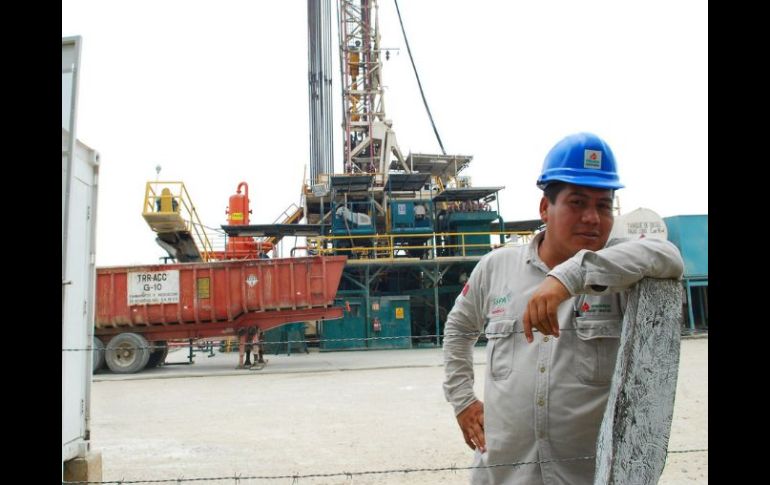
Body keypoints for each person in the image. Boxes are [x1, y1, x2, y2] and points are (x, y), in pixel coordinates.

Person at [442, 132, 684, 484]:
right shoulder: (497, 268)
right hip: (504, 474)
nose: (592, 217)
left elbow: (668, 256)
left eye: (604, 206)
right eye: (577, 202)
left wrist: (569, 277)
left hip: (585, 475)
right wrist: (463, 400)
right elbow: (458, 329)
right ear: (545, 208)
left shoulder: (619, 270)